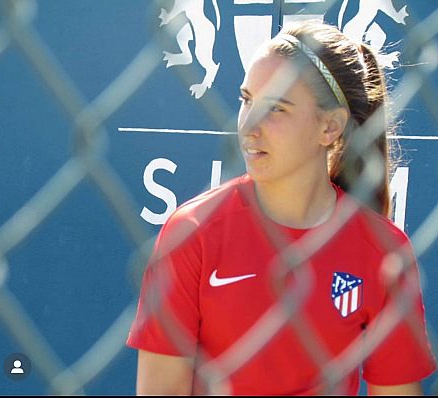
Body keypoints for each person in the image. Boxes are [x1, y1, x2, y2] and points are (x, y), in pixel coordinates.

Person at [127, 20, 436, 395]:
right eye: (246, 100)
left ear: (330, 128)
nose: (249, 126)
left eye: (276, 108)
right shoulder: (192, 232)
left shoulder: (384, 251)